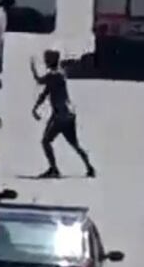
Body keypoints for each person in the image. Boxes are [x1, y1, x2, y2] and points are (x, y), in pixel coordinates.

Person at [30, 49, 95, 178]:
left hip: (60, 115)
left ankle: (54, 169)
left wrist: (32, 68)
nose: (45, 61)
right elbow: (46, 92)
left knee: (46, 141)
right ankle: (89, 167)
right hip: (68, 114)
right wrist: (36, 107)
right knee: (74, 143)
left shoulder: (54, 76)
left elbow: (39, 81)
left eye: (47, 59)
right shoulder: (59, 74)